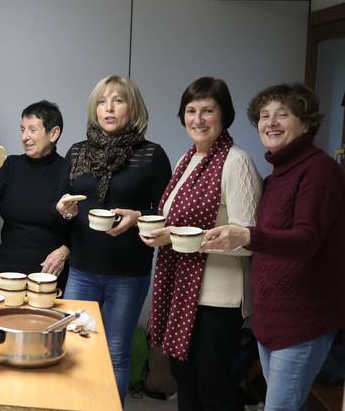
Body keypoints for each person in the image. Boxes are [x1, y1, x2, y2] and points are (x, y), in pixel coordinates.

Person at [201, 83, 344, 411]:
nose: (271, 122)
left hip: (303, 318)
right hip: (271, 318)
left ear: (305, 123)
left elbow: (307, 240)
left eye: (283, 114)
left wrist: (246, 235)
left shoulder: (319, 170)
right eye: (264, 116)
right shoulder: (277, 174)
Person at [143, 77, 262, 411]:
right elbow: (175, 219)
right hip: (183, 290)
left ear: (224, 115)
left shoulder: (235, 162)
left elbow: (248, 239)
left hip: (218, 298)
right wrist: (149, 223)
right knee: (185, 380)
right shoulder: (189, 159)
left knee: (214, 388)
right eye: (191, 111)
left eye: (208, 110)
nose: (197, 119)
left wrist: (182, 239)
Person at [55, 74, 171, 404]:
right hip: (82, 269)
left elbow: (166, 212)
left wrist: (139, 218)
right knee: (75, 348)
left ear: (132, 109)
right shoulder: (78, 152)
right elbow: (61, 201)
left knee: (116, 353)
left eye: (118, 100)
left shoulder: (151, 155)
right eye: (102, 101)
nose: (108, 108)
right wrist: (63, 209)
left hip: (128, 272)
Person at [0, 100, 70, 288]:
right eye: (22, 129)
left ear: (54, 133)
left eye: (32, 130)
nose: (24, 137)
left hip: (48, 273)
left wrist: (66, 250)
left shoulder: (67, 170)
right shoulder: (11, 166)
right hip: (8, 271)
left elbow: (80, 224)